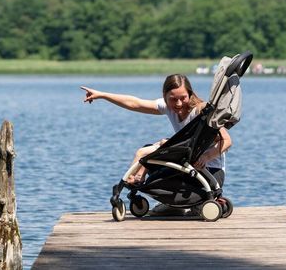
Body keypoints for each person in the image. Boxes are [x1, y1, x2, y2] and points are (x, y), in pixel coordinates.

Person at [81, 73, 232, 215]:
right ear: (165, 96)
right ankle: (175, 206)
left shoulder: (201, 111)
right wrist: (103, 95)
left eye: (183, 98)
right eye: (173, 99)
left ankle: (196, 203)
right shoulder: (168, 107)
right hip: (187, 166)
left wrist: (207, 156)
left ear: (190, 94)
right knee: (152, 162)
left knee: (151, 154)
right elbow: (135, 103)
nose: (178, 104)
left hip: (210, 172)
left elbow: (227, 141)